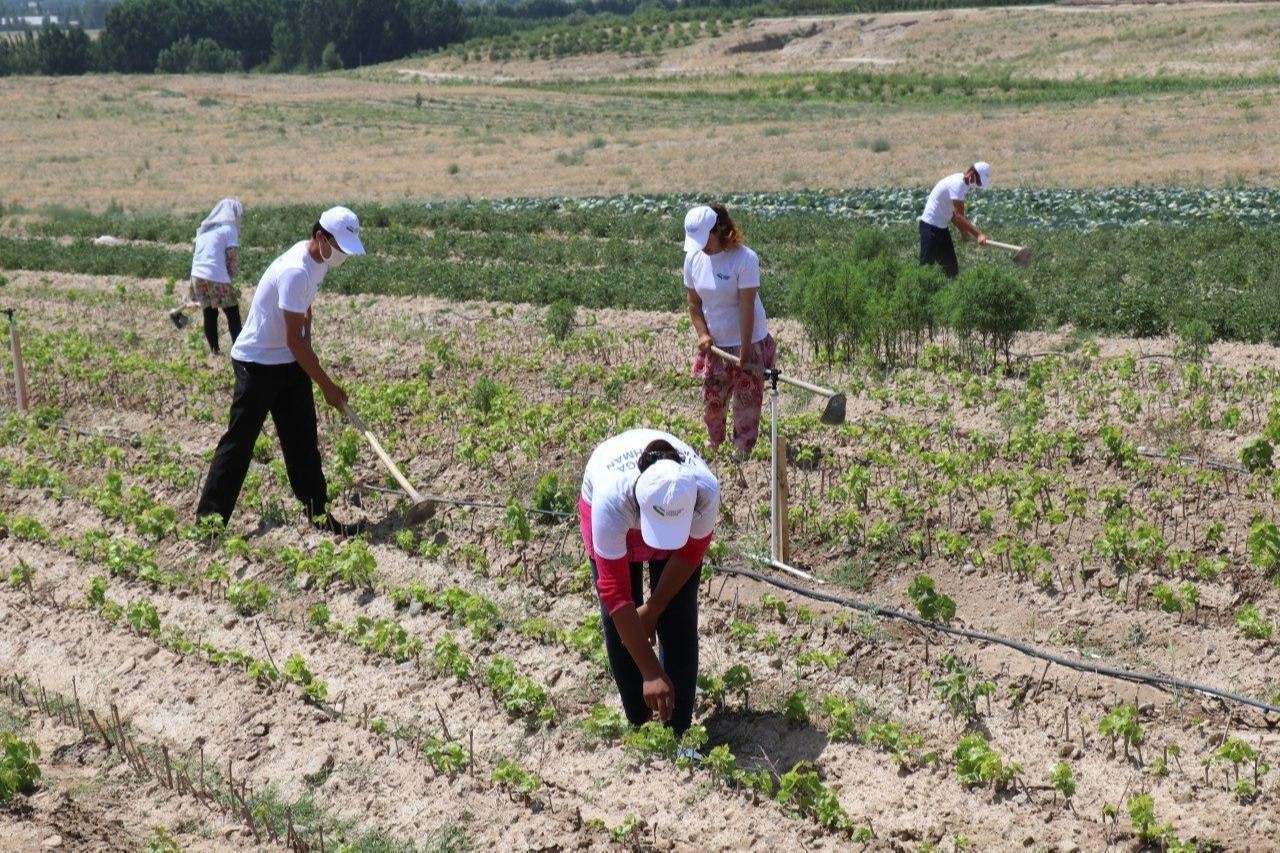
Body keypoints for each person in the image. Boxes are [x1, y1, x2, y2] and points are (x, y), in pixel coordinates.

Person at [196, 207, 365, 536]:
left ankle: (318, 516)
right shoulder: (295, 270)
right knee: (239, 443)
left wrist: (309, 347)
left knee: (303, 442)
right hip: (257, 364)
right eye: (340, 246)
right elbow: (293, 339)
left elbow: (304, 312)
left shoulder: (318, 262)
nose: (343, 254)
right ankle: (208, 526)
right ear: (320, 236)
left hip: (288, 362)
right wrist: (327, 386)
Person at [580, 429, 720, 736]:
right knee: (618, 622)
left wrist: (654, 609)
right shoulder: (612, 500)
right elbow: (615, 593)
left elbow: (689, 554)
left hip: (666, 511)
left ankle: (678, 729)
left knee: (678, 615)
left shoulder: (704, 493)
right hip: (615, 513)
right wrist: (650, 671)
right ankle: (639, 722)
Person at [683, 204, 776, 460]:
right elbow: (694, 303)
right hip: (715, 344)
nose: (704, 247)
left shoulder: (745, 259)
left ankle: (742, 450)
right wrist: (702, 333)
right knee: (713, 402)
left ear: (721, 230)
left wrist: (746, 347)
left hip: (748, 338)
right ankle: (714, 444)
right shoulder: (693, 259)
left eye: (707, 240)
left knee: (747, 403)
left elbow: (747, 306)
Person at [170, 198, 244, 355]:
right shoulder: (229, 229)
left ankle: (215, 352)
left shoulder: (206, 231)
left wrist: (192, 287)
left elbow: (198, 257)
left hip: (197, 275)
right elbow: (232, 257)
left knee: (209, 313)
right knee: (232, 313)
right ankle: (240, 352)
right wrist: (228, 279)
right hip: (216, 275)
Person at [918, 162, 992, 279]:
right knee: (925, 270)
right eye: (978, 182)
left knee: (951, 271)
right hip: (929, 228)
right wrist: (978, 235)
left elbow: (953, 214)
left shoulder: (962, 185)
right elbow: (959, 216)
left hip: (941, 229)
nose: (977, 185)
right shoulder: (958, 184)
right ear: (972, 174)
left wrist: (963, 232)